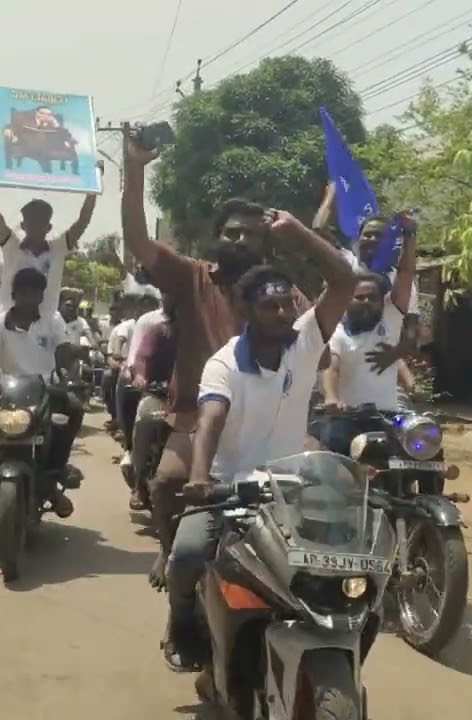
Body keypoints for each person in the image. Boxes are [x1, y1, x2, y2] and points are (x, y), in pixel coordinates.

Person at [119, 131, 342, 582]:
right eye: (231, 232)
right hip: (195, 417)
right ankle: (170, 550)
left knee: (325, 487)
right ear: (217, 238)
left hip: (272, 421)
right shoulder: (191, 277)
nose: (239, 240)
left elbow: (320, 350)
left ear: (266, 243)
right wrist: (136, 168)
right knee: (168, 482)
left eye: (250, 234)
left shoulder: (284, 293)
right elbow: (139, 242)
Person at [161, 248, 356, 670]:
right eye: (270, 306)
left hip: (291, 489)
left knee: (339, 560)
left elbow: (344, 280)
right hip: (229, 491)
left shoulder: (306, 343)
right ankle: (180, 623)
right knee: (188, 553)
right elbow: (210, 421)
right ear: (246, 310)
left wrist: (295, 233)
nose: (283, 313)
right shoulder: (224, 363)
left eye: (288, 304)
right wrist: (199, 479)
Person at [0, 268, 84, 527]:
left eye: (35, 292)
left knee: (73, 409)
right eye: (23, 291)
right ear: (14, 294)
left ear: (42, 296)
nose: (29, 297)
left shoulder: (53, 321)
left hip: (44, 391)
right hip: (3, 391)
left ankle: (55, 475)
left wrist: (70, 372)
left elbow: (63, 352)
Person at [313, 212, 419, 454]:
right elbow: (330, 366)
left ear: (383, 301)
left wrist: (410, 235)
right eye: (359, 297)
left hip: (389, 417)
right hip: (345, 420)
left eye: (372, 297)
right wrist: (332, 398)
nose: (366, 301)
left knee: (420, 454)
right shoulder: (337, 332)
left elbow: (406, 274)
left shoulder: (391, 318)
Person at [0, 145, 104, 316]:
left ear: (49, 227)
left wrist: (94, 182)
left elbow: (83, 220)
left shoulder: (58, 249)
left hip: (46, 323)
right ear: (23, 225)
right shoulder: (12, 246)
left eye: (40, 222)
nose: (35, 226)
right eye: (31, 221)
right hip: (9, 322)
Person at [125, 294, 178, 510]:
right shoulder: (159, 331)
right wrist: (140, 376)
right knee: (145, 420)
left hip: (189, 400)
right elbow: (142, 357)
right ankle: (139, 485)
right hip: (159, 395)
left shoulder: (201, 336)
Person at [104, 295, 140, 433]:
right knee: (111, 378)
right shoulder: (126, 326)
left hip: (146, 367)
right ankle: (118, 419)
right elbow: (119, 342)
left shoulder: (152, 324)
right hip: (125, 365)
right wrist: (118, 357)